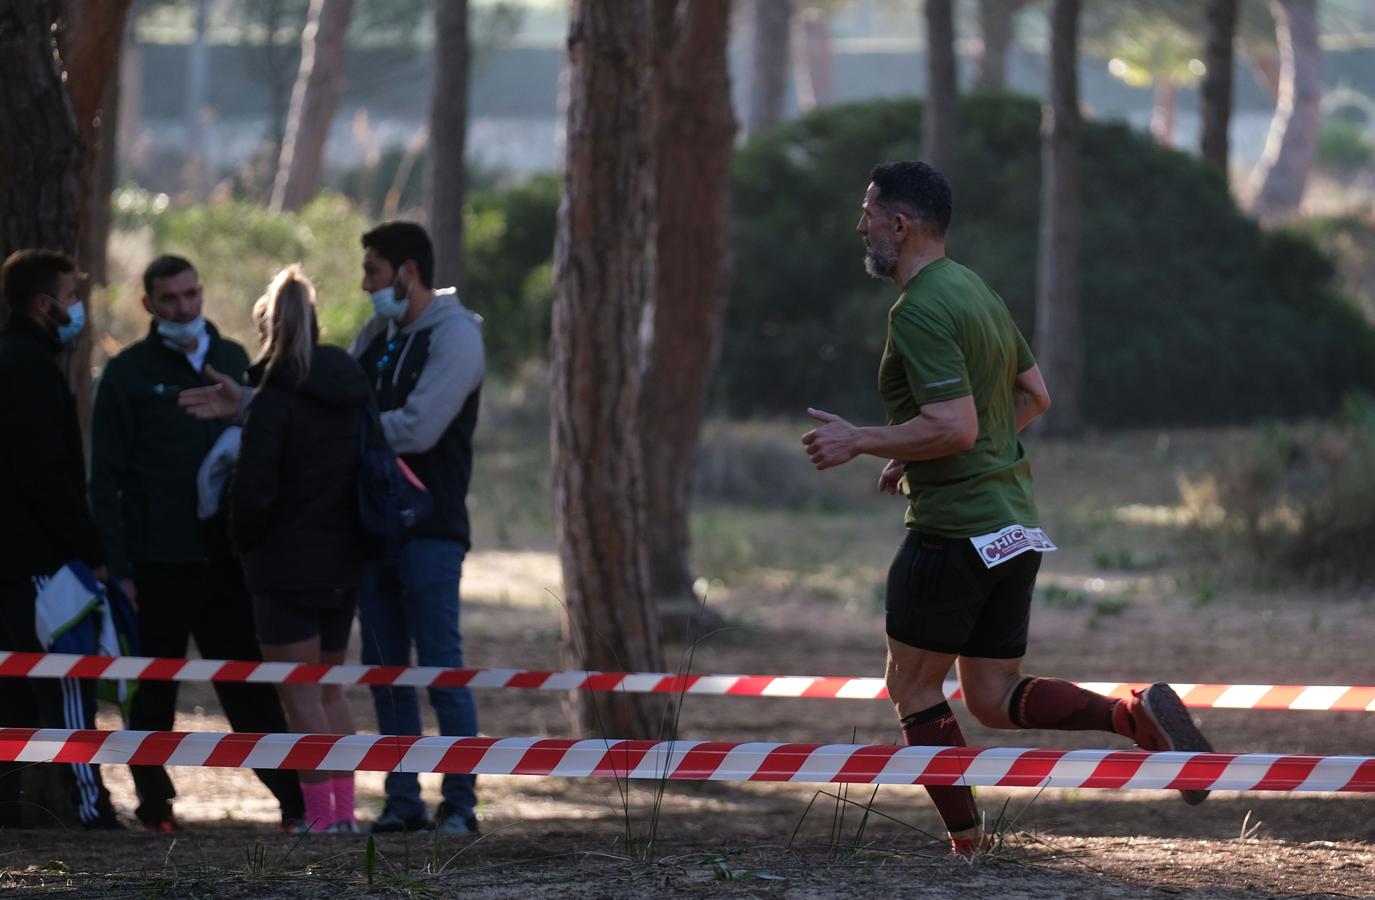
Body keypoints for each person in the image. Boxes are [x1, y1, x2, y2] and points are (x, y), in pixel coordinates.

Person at [800, 162, 1212, 856]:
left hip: (952, 533)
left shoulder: (919, 309)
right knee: (992, 695)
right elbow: (1032, 397)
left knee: (911, 688)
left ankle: (967, 846)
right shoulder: (975, 291)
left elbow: (956, 425)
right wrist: (916, 452)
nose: (859, 225)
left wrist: (862, 439)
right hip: (1012, 527)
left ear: (898, 226)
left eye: (867, 213)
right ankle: (1129, 714)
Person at [180, 222, 485, 834]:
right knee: (381, 679)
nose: (365, 284)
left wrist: (308, 428)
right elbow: (324, 405)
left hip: (428, 530)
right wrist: (267, 409)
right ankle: (401, 803)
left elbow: (417, 428)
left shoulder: (456, 338)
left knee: (441, 672)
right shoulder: (374, 339)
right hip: (364, 539)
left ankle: (459, 803)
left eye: (373, 270)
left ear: (407, 272)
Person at [89, 255, 305, 832]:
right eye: (170, 299)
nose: (183, 308)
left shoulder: (234, 358)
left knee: (251, 692)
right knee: (152, 696)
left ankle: (294, 802)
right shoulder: (127, 373)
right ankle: (155, 805)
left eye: (190, 294)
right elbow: (103, 478)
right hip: (155, 564)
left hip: (228, 564)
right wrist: (119, 566)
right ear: (149, 305)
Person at [231, 266, 370, 834]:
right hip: (343, 562)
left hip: (283, 568)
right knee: (330, 692)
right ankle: (344, 815)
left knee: (300, 699)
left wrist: (240, 539)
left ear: (268, 331)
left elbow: (253, 491)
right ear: (315, 324)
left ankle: (320, 819)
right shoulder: (351, 389)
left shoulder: (272, 401)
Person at [0, 249, 121, 829]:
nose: (78, 309)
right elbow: (50, 477)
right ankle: (88, 806)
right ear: (45, 305)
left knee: (10, 692)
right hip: (43, 561)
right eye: (71, 298)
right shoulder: (32, 370)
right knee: (68, 684)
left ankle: (12, 806)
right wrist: (91, 553)